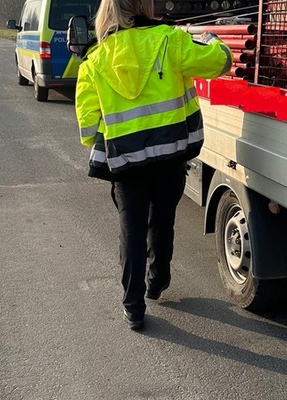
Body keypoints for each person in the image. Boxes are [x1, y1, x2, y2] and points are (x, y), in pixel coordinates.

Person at [74, 0, 231, 331]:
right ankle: (157, 281)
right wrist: (212, 39)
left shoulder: (95, 59)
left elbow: (87, 130)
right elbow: (220, 62)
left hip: (126, 164)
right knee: (162, 220)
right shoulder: (170, 40)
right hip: (170, 157)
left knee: (131, 230)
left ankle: (133, 307)